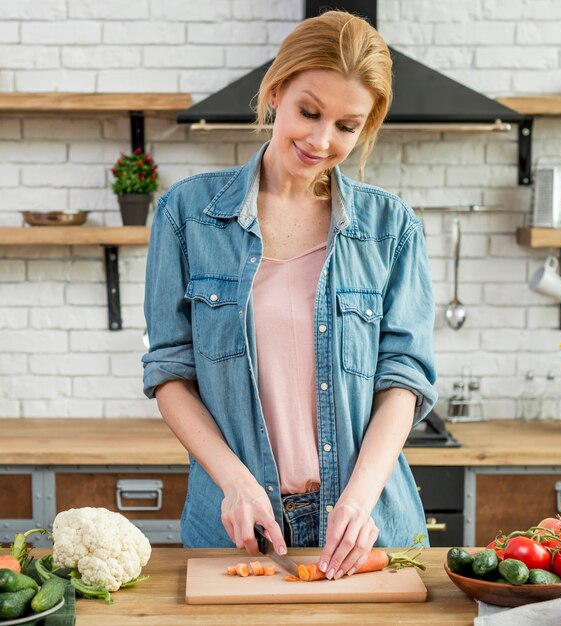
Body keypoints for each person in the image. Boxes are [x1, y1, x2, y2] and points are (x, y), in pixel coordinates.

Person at [142, 10, 437, 581]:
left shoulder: (390, 226)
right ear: (276, 92)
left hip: (368, 525)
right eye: (309, 111)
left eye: (347, 126)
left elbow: (404, 376)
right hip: (237, 526)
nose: (322, 140)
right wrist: (236, 482)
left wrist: (358, 498)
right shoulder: (187, 216)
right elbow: (170, 372)